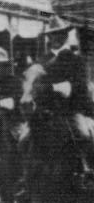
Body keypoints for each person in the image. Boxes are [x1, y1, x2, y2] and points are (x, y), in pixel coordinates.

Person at [38, 16, 94, 152]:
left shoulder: (77, 60)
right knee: (24, 141)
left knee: (83, 136)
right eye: (52, 34)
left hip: (70, 109)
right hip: (46, 110)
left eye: (59, 33)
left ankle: (87, 169)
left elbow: (80, 86)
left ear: (65, 35)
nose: (55, 38)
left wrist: (55, 87)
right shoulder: (42, 60)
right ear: (49, 37)